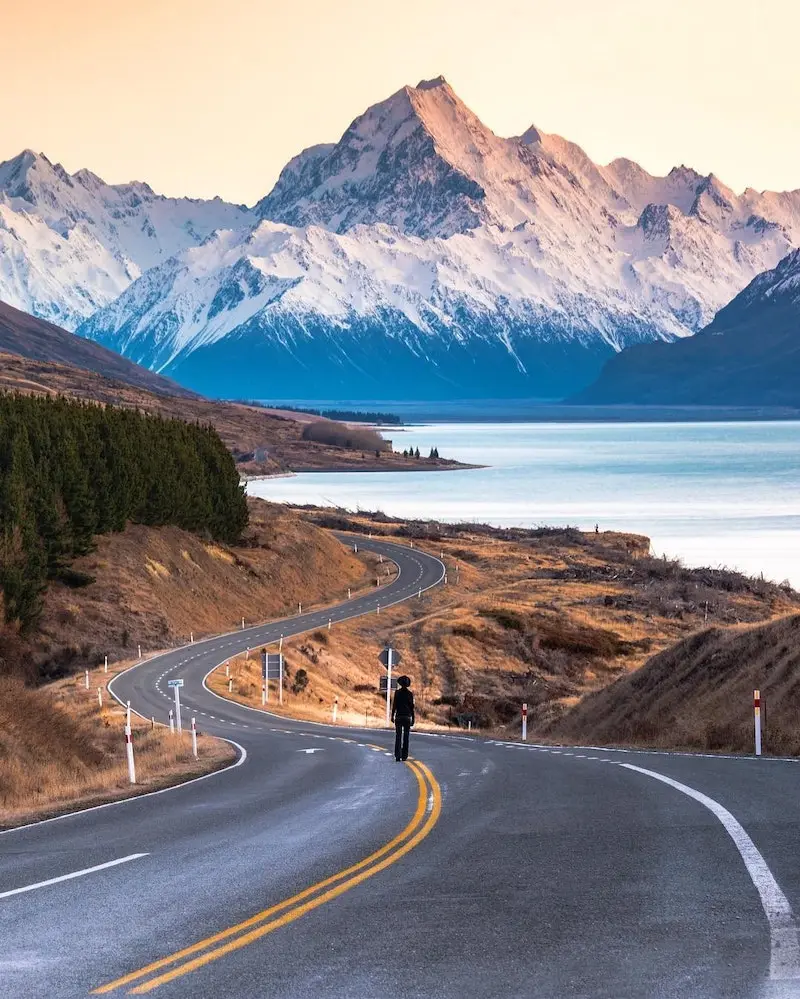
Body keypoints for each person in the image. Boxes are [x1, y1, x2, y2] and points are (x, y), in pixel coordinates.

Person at [391, 675, 414, 762]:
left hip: (399, 716)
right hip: (407, 717)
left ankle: (397, 755)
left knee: (398, 736)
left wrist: (392, 715)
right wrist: (413, 718)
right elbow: (412, 707)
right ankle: (404, 755)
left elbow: (394, 705)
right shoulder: (410, 694)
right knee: (406, 736)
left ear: (400, 684)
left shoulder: (397, 693)